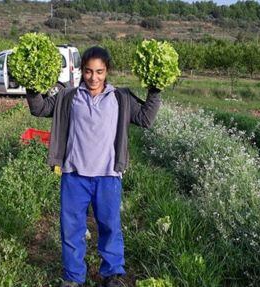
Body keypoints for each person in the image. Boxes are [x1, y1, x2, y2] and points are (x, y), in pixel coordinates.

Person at [25, 46, 162, 287]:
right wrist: (31, 84)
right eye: (88, 71)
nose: (93, 77)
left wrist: (155, 89)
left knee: (110, 226)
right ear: (81, 71)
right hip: (74, 174)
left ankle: (112, 275)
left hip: (108, 175)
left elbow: (145, 119)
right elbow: (39, 108)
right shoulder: (68, 96)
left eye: (99, 72)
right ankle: (73, 277)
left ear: (107, 71)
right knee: (72, 228)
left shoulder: (120, 97)